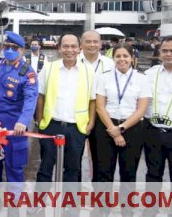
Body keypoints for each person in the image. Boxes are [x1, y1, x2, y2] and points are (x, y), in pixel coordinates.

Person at [36, 33, 96, 182]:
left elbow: (92, 100)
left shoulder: (89, 71)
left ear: (80, 48)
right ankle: (39, 204)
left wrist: (91, 124)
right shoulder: (49, 68)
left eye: (73, 46)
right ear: (59, 48)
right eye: (65, 46)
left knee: (72, 169)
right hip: (51, 125)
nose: (70, 50)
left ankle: (69, 205)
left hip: (76, 128)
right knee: (45, 168)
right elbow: (40, 96)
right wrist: (39, 121)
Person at [95, 43, 149, 183]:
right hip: (107, 126)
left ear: (132, 58)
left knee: (129, 173)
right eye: (118, 56)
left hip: (132, 128)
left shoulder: (142, 79)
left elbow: (141, 109)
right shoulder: (104, 77)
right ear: (113, 58)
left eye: (125, 56)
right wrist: (113, 129)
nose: (122, 59)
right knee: (104, 172)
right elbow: (100, 106)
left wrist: (120, 129)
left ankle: (127, 204)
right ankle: (103, 205)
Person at [0, 31, 38, 182]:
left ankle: (13, 204)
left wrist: (23, 121)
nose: (9, 50)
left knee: (14, 171)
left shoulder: (27, 73)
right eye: (6, 46)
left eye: (14, 47)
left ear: (22, 50)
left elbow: (31, 98)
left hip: (14, 129)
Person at [143, 35, 172, 182]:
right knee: (152, 175)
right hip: (152, 131)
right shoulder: (149, 74)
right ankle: (152, 206)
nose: (168, 54)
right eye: (165, 50)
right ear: (160, 52)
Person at [79, 30, 115, 182]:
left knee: (101, 161)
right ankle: (72, 200)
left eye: (95, 41)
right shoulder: (73, 60)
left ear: (100, 44)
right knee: (73, 160)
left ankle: (98, 199)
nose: (92, 45)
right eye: (88, 41)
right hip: (78, 115)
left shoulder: (110, 64)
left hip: (102, 116)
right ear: (81, 44)